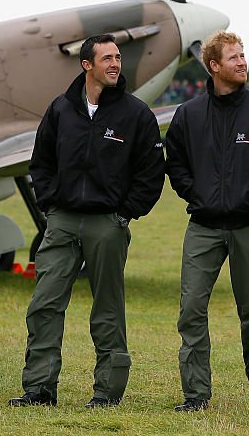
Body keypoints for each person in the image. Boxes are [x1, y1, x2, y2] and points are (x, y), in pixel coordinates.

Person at [9, 35, 165, 409]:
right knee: (44, 304)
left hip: (107, 224)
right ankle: (39, 390)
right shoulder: (61, 109)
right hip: (62, 221)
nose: (115, 64)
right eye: (107, 58)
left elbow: (151, 173)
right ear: (87, 65)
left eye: (117, 57)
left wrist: (125, 214)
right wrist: (50, 207)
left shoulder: (136, 114)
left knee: (108, 309)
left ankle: (107, 393)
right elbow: (41, 163)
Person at [165, 31, 249, 412]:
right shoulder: (189, 114)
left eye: (243, 56)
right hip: (203, 227)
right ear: (213, 66)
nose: (242, 62)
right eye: (234, 58)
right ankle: (195, 394)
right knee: (191, 307)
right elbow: (174, 162)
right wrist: (196, 194)